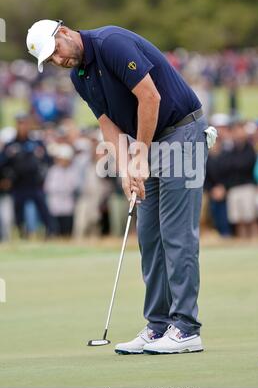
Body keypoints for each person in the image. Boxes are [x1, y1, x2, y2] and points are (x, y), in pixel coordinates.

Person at [26, 19, 217, 355]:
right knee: (149, 236)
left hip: (182, 133)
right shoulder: (79, 76)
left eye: (56, 50)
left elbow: (150, 97)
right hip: (154, 142)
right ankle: (158, 327)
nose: (58, 60)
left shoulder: (110, 43)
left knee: (176, 234)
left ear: (65, 32)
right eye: (50, 59)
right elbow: (107, 123)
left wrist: (139, 156)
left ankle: (186, 329)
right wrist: (126, 168)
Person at [0, 113, 54, 237]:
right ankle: (22, 234)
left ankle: (50, 233)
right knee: (18, 212)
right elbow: (2, 164)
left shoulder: (36, 143)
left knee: (43, 210)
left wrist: (41, 156)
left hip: (35, 183)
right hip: (18, 184)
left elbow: (48, 160)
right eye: (20, 123)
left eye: (25, 123)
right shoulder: (11, 145)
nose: (23, 126)